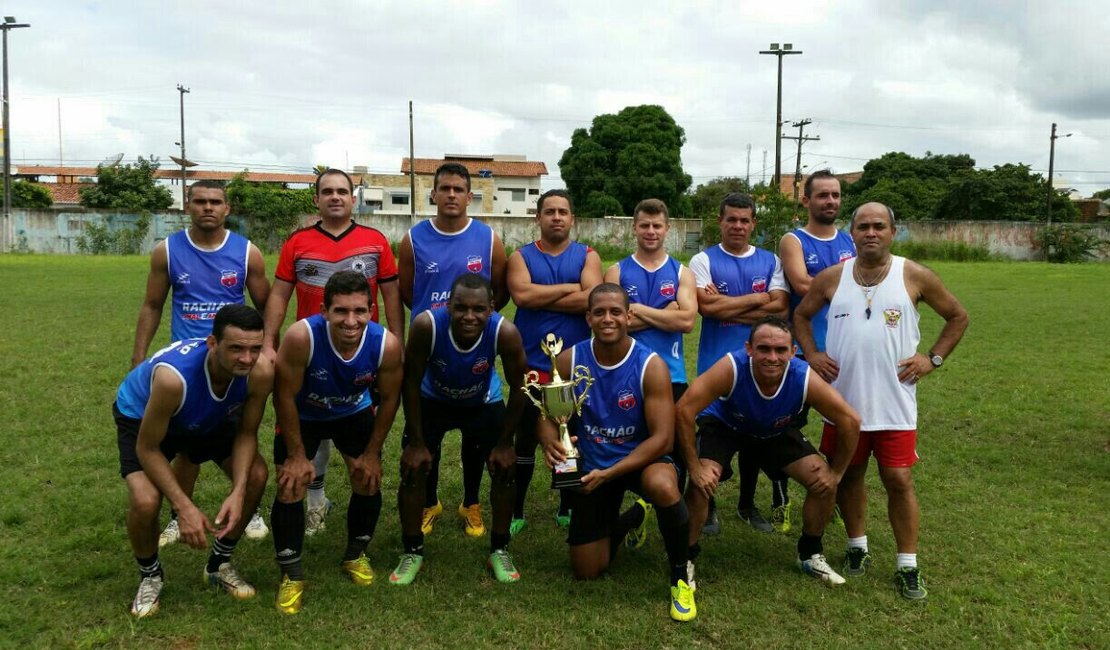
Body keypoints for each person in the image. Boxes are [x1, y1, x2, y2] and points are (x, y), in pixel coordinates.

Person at [794, 202, 969, 600]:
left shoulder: (914, 275)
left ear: (893, 231)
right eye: (862, 227)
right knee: (848, 476)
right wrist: (813, 354)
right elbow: (801, 317)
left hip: (895, 403)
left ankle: (908, 564)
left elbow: (958, 316)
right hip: (844, 404)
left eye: (879, 226)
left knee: (899, 479)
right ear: (850, 233)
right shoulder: (831, 278)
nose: (870, 233)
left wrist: (932, 359)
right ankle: (857, 547)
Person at [539, 284, 695, 622]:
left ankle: (681, 575)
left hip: (641, 460)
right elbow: (551, 418)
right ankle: (630, 519)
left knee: (663, 486)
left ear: (629, 316)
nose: (607, 319)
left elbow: (663, 440)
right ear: (588, 318)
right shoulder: (569, 360)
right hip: (593, 466)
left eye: (615, 312)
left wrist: (612, 474)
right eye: (599, 312)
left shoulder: (650, 365)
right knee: (586, 571)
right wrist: (550, 441)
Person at [263, 168, 403, 538]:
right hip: (307, 353)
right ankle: (315, 502)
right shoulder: (298, 242)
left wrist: (396, 339)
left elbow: (390, 295)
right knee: (308, 431)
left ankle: (330, 511)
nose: (336, 197)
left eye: (343, 191)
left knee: (348, 420)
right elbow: (279, 295)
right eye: (328, 192)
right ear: (317, 199)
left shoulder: (375, 241)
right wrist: (267, 342)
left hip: (358, 352)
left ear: (353, 198)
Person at [131, 180, 271, 547]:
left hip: (233, 360)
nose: (208, 207)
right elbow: (152, 305)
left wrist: (266, 349)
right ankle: (181, 514)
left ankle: (248, 505)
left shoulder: (246, 253)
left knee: (241, 429)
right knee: (186, 442)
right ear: (187, 206)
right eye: (200, 201)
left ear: (227, 209)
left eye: (216, 202)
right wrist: (138, 357)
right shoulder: (168, 251)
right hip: (190, 364)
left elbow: (265, 306)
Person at [677, 316, 861, 591]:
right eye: (764, 349)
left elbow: (850, 420)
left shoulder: (802, 375)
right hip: (726, 426)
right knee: (702, 483)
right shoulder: (732, 366)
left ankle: (810, 553)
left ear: (793, 352)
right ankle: (685, 559)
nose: (772, 357)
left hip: (774, 430)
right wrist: (694, 466)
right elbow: (683, 410)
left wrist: (837, 473)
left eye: (780, 350)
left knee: (823, 482)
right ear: (749, 348)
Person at [114, 304, 272, 619]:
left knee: (255, 475)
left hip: (206, 417)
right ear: (212, 344)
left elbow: (246, 434)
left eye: (255, 348)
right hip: (144, 417)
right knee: (145, 501)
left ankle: (218, 565)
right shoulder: (174, 378)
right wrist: (184, 507)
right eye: (236, 348)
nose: (247, 358)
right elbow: (148, 449)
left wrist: (239, 492)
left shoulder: (260, 372)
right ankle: (150, 575)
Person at [269, 271, 403, 614]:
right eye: (341, 311)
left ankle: (355, 555)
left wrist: (372, 453)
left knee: (367, 478)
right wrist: (298, 455)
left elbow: (389, 400)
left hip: (351, 411)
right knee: (291, 483)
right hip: (304, 414)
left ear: (371, 311)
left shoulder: (385, 343)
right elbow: (283, 395)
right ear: (324, 310)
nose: (350, 320)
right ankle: (292, 574)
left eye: (359, 311)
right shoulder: (302, 337)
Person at [389, 274, 527, 585]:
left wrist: (505, 443)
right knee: (413, 469)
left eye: (478, 309)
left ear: (491, 308)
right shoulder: (427, 325)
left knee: (506, 469)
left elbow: (520, 386)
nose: (469, 316)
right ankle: (412, 550)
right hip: (432, 400)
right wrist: (415, 441)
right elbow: (409, 381)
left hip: (482, 401)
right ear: (448, 305)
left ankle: (500, 549)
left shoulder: (504, 331)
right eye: (460, 308)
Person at [397, 162, 509, 539]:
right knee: (427, 434)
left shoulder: (489, 239)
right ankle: (429, 502)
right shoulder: (413, 240)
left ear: (468, 196)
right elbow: (409, 293)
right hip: (432, 347)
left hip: (474, 346)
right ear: (433, 194)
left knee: (477, 439)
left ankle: (471, 502)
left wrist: (474, 321)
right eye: (443, 188)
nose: (450, 195)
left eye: (458, 189)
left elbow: (500, 290)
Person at [689, 193, 789, 534]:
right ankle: (710, 505)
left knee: (755, 436)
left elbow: (781, 310)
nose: (738, 226)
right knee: (713, 438)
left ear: (754, 224)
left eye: (744, 220)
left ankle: (747, 505)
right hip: (716, 366)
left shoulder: (770, 261)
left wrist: (728, 303)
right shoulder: (702, 260)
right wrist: (759, 299)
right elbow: (707, 309)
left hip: (761, 367)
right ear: (720, 221)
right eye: (731, 219)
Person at [508, 189, 602, 535]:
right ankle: (516, 508)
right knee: (525, 436)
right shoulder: (521, 256)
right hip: (532, 363)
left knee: (569, 435)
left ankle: (566, 503)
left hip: (574, 367)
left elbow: (591, 299)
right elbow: (521, 295)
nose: (557, 217)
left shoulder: (587, 255)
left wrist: (541, 296)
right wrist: (569, 288)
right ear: (538, 218)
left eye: (563, 211)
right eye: (550, 212)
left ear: (572, 218)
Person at [772, 170, 856, 533]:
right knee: (787, 427)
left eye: (835, 195)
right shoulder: (794, 240)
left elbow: (867, 282)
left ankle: (832, 489)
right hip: (806, 351)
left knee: (844, 423)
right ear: (806, 200)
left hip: (846, 351)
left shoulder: (850, 240)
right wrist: (850, 287)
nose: (830, 202)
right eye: (822, 195)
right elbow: (802, 284)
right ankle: (780, 492)